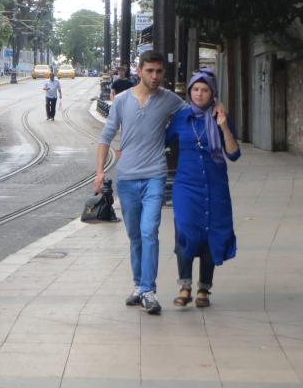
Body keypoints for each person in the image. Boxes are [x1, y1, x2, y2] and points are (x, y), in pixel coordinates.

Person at [94, 51, 185, 315]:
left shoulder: (170, 100)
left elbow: (194, 114)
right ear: (140, 70)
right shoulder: (122, 101)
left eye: (159, 72)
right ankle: (138, 286)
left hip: (155, 175)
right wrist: (99, 172)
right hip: (127, 178)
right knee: (135, 236)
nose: (155, 76)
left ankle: (149, 290)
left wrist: (216, 108)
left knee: (149, 232)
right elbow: (105, 136)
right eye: (150, 71)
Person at [166, 69, 240, 309]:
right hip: (186, 186)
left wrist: (224, 126)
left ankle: (204, 290)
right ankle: (185, 285)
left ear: (212, 93)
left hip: (216, 186)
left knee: (210, 233)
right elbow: (161, 141)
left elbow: (233, 154)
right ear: (189, 92)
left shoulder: (220, 117)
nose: (199, 94)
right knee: (186, 231)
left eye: (204, 89)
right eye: (195, 89)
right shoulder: (181, 118)